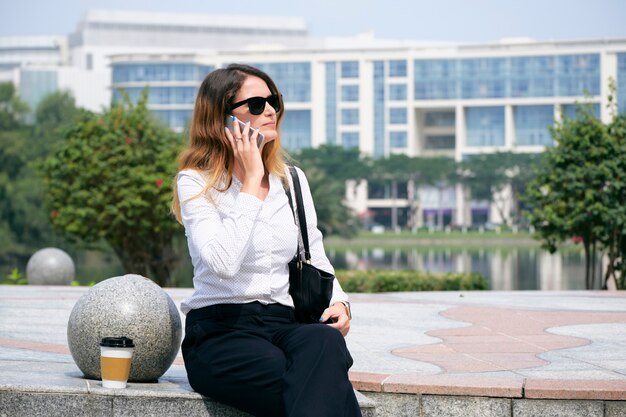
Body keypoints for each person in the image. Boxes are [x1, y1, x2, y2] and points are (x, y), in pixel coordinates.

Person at [171, 63, 361, 417]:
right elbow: (223, 264)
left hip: (285, 324)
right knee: (316, 381)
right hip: (221, 331)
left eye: (273, 100)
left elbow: (313, 253)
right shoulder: (195, 181)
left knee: (325, 341)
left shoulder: (291, 180)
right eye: (256, 105)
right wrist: (252, 182)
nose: (271, 110)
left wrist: (341, 303)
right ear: (221, 118)